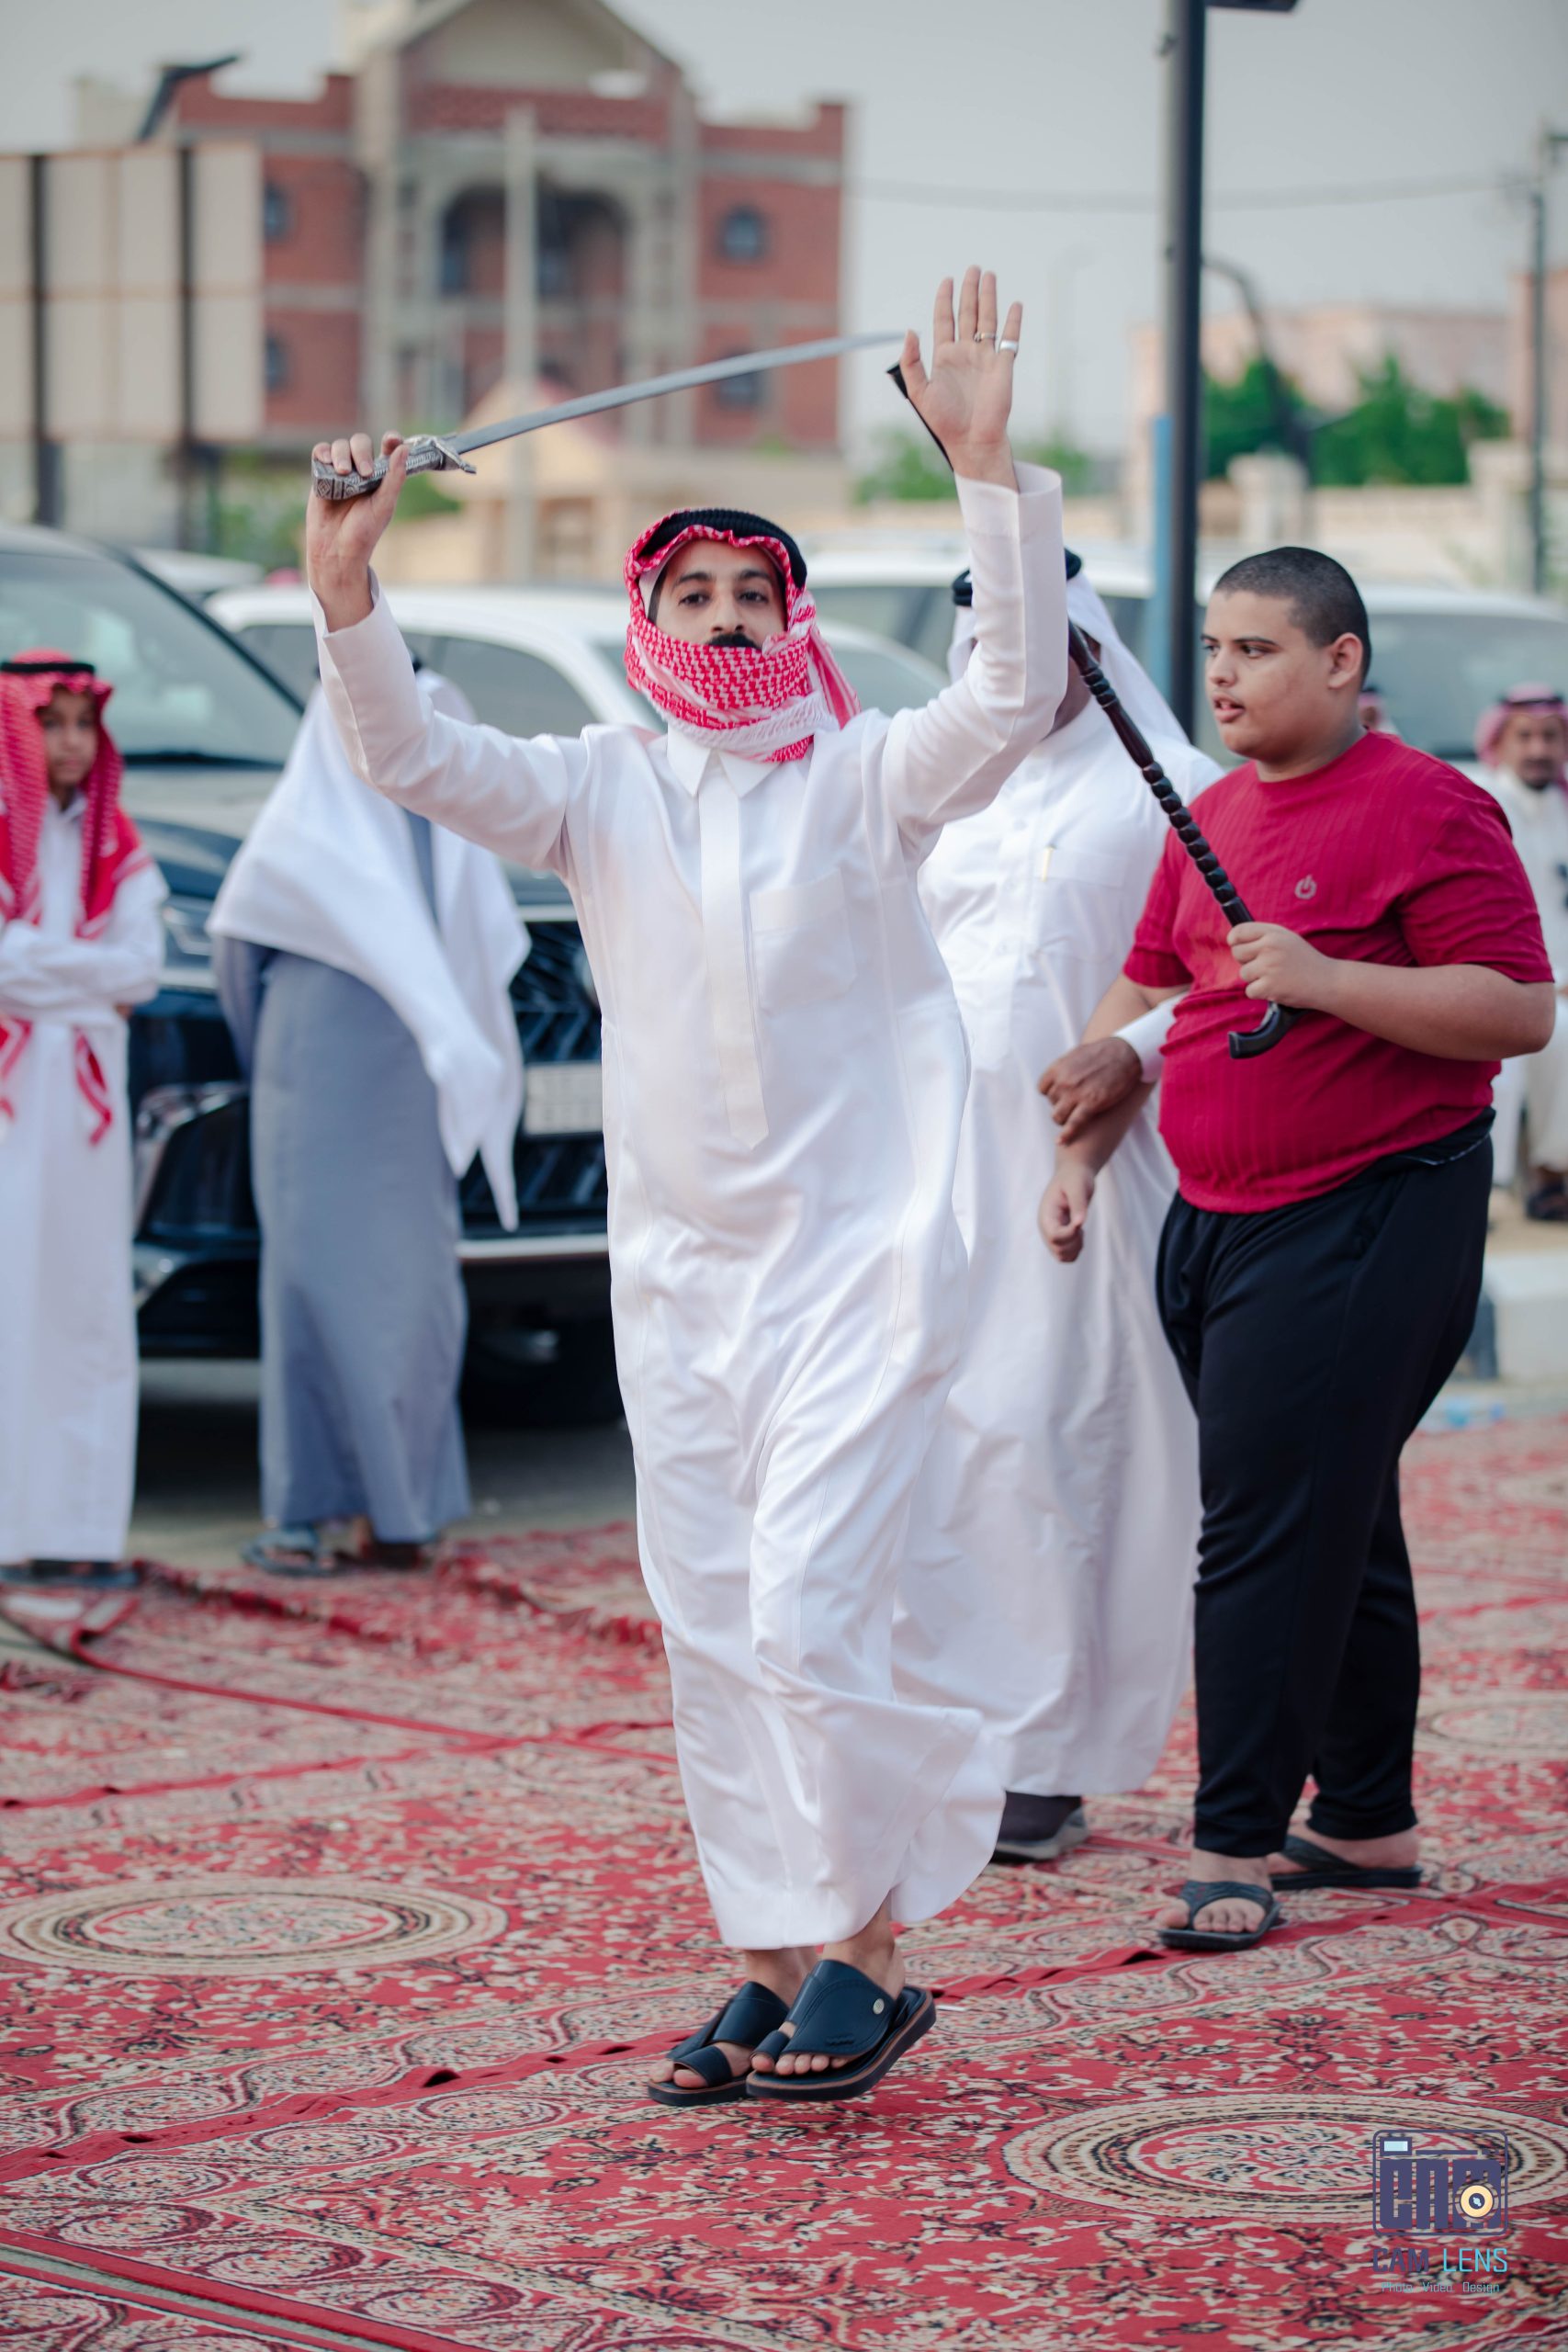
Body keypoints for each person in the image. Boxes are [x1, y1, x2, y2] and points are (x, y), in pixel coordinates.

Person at [306, 270, 1066, 2103]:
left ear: (795, 622)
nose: (724, 615)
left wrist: (981, 469)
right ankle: (771, 1951)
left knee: (807, 1604)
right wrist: (345, 583)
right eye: (690, 592)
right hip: (681, 1281)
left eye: (751, 592)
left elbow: (1011, 689)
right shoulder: (597, 788)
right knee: (715, 1621)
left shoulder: (867, 778)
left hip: (859, 1267)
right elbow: (403, 752)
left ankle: (869, 1949)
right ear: (642, 619)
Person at [1041, 547, 1553, 1953]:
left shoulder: (1427, 805)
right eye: (1213, 648)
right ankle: (1365, 1816)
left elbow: (1516, 1009)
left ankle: (1231, 1843)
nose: (1221, 675)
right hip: (1211, 1214)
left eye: (1255, 649)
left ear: (1339, 662)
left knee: (1261, 1529)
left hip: (1370, 1207)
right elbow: (1146, 991)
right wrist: (1078, 1149)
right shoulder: (1208, 812)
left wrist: (1327, 979)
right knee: (1333, 1507)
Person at [897, 558, 1218, 1864]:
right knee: (942, 1444)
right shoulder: (946, 789)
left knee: (1054, 1441)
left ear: (1088, 646)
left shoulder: (1171, 786)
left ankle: (1045, 1755)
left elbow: (1222, 975)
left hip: (1091, 1171)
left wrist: (1128, 1053)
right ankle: (957, 1739)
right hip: (935, 1171)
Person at [209, 665, 526, 1576]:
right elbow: (240, 965)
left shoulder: (440, 819)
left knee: (412, 1294)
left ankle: (399, 1510)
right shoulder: (301, 833)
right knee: (314, 1289)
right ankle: (314, 1508)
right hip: (313, 1078)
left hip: (407, 1083)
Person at [0, 651, 166, 1589]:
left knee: (86, 1304)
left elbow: (141, 969)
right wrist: (88, 984)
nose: (69, 744)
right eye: (50, 724)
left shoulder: (115, 840)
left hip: (86, 1111)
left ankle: (80, 1527)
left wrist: (42, 969)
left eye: (82, 725)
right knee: (10, 1298)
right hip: (16, 1099)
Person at [1472, 685, 1568, 1219]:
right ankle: (1489, 1186)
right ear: (1499, 742)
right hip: (1496, 976)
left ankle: (1553, 1174)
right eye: (1525, 736)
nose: (1538, 749)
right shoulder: (1479, 802)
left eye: (1550, 737)